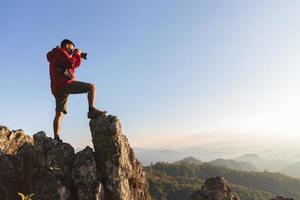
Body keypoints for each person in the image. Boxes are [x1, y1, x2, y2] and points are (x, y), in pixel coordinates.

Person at [47, 39, 107, 142]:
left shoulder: (55, 55)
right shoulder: (60, 51)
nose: (72, 49)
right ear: (67, 45)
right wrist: (77, 55)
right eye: (72, 47)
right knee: (91, 87)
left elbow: (69, 68)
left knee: (59, 113)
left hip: (57, 88)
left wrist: (77, 56)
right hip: (64, 84)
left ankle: (56, 138)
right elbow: (71, 63)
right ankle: (91, 110)